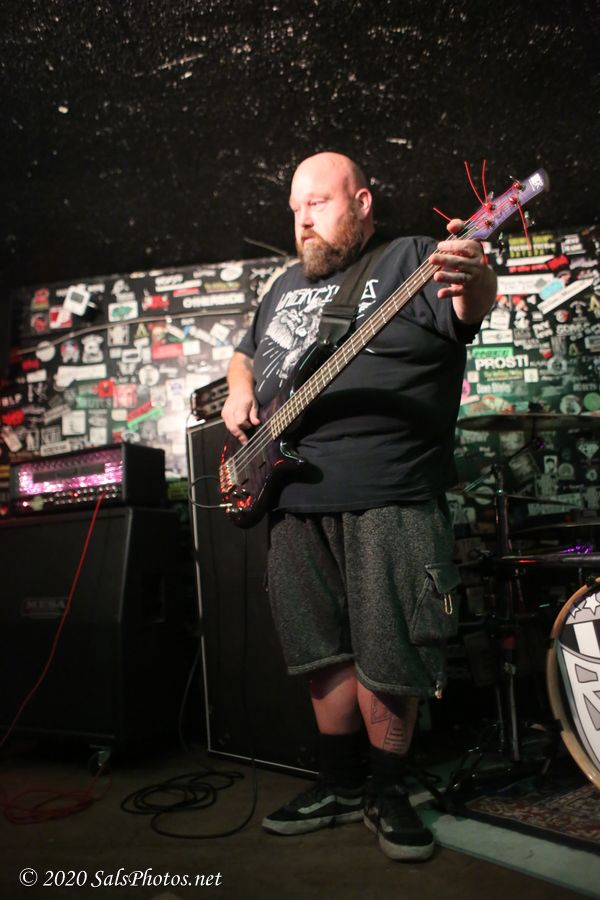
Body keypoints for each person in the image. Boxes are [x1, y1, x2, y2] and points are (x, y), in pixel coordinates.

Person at [221, 151, 497, 861]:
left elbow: (467, 308)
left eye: (317, 201)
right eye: (295, 208)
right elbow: (245, 353)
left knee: (390, 649)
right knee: (321, 651)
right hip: (289, 495)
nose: (302, 218)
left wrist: (475, 277)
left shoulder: (411, 258)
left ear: (363, 201)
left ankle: (389, 790)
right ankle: (341, 784)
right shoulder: (283, 285)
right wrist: (239, 388)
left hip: (389, 489)